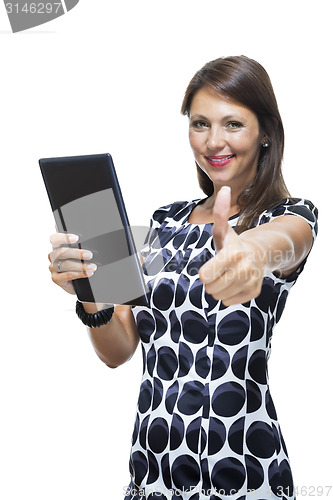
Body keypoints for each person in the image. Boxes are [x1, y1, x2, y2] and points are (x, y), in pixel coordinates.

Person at [48, 56, 318, 500]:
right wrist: (89, 292)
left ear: (266, 133)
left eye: (233, 124)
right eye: (199, 124)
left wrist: (249, 253)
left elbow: (285, 242)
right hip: (153, 473)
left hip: (242, 472)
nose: (214, 141)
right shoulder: (162, 222)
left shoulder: (287, 215)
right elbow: (119, 351)